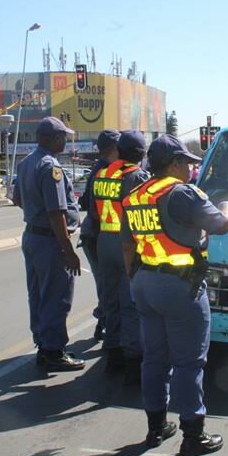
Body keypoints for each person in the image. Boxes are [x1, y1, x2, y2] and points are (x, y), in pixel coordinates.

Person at [121, 134, 228, 456]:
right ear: (173, 164)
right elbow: (221, 225)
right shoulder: (181, 193)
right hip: (180, 286)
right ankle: (193, 435)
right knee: (189, 362)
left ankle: (156, 426)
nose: (191, 168)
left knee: (154, 357)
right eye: (187, 162)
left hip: (144, 282)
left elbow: (128, 245)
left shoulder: (136, 194)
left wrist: (134, 279)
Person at [13, 117, 85, 372]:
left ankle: (45, 345)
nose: (65, 141)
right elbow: (57, 213)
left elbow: (17, 198)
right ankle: (54, 351)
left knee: (38, 295)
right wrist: (67, 250)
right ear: (53, 139)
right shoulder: (50, 167)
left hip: (33, 236)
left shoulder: (26, 163)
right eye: (63, 137)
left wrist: (35, 214)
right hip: (50, 240)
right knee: (57, 295)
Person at [94, 130, 150, 383]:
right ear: (141, 155)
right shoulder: (136, 176)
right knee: (130, 304)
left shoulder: (102, 173)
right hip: (126, 241)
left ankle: (112, 354)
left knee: (110, 300)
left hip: (104, 238)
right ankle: (132, 362)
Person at [79, 129, 121, 341]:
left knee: (108, 284)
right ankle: (106, 325)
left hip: (97, 235)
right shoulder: (105, 171)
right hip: (98, 235)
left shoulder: (104, 168)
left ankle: (106, 322)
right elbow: (93, 208)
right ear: (112, 149)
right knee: (108, 285)